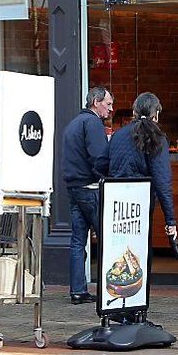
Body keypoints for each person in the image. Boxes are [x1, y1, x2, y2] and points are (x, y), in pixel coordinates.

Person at [61, 86, 114, 304]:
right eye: (108, 104)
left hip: (74, 188)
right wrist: (108, 175)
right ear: (96, 102)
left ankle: (77, 290)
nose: (111, 109)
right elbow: (100, 158)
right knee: (108, 240)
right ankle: (112, 290)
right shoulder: (92, 123)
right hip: (90, 189)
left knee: (77, 242)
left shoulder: (73, 124)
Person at [108, 92, 178, 241]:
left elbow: (104, 165)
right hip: (141, 198)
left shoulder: (117, 135)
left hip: (115, 198)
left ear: (134, 113)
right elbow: (162, 180)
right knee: (141, 246)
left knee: (119, 245)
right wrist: (170, 220)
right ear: (156, 115)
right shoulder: (157, 137)